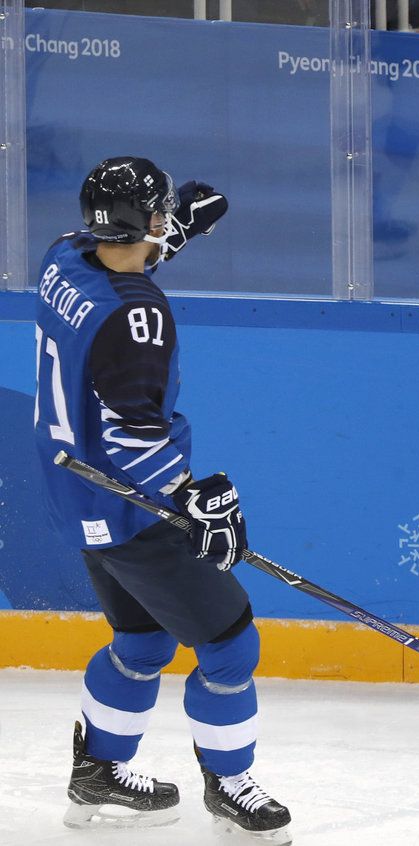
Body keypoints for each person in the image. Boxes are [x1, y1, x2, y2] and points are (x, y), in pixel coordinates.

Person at [33, 157, 292, 838]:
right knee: (230, 645)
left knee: (141, 641)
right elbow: (131, 435)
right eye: (160, 214)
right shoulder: (139, 318)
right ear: (142, 220)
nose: (165, 223)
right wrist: (195, 495)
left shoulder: (61, 257)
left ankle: (98, 772)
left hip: (75, 493)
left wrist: (173, 235)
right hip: (131, 503)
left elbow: (114, 268)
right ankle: (230, 787)